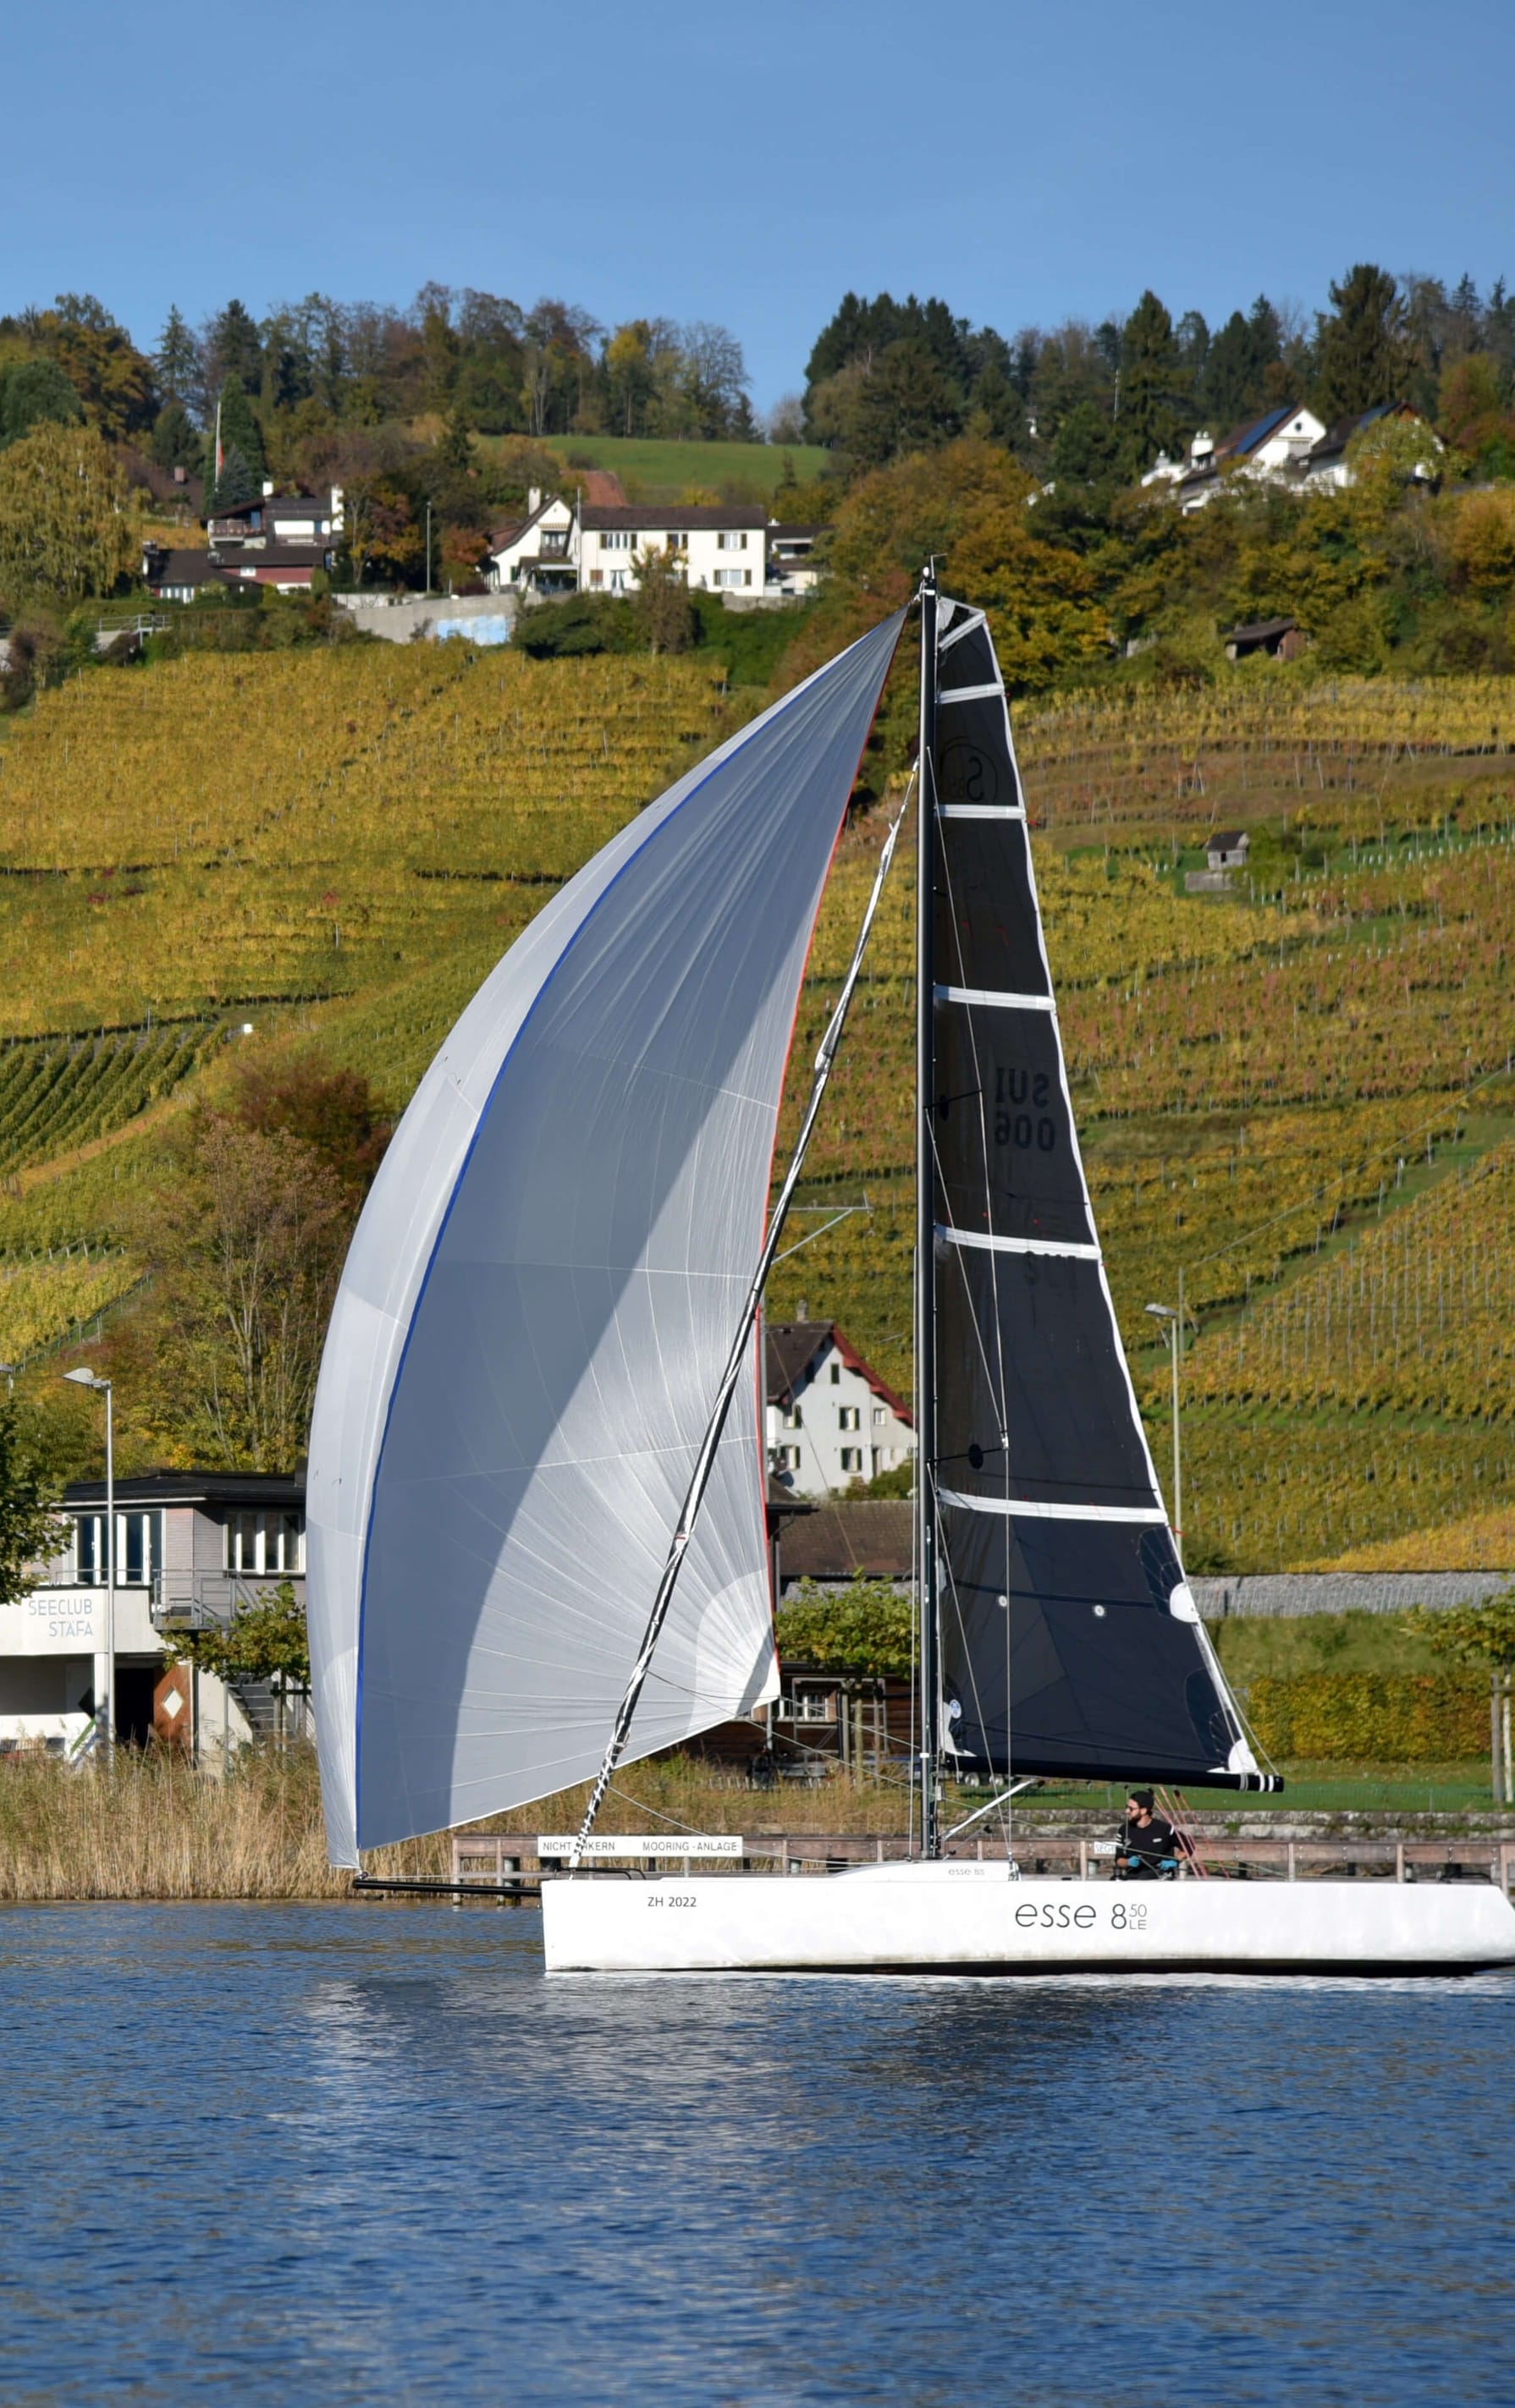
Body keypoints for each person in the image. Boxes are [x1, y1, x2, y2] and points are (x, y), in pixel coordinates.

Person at [1114, 1789, 1187, 1880]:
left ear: (1144, 1810)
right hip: (1133, 1879)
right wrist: (1128, 1862)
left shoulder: (1164, 1829)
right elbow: (1118, 1860)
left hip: (1160, 1878)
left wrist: (1175, 1861)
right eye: (1127, 1807)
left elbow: (1189, 1846)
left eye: (1131, 1809)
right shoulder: (1123, 1830)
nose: (1126, 1811)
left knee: (1145, 1877)